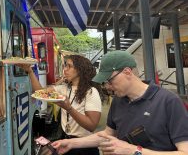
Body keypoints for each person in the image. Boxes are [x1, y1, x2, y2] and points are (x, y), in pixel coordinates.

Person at [52, 50, 188, 155]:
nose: (107, 87)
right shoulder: (118, 101)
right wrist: (70, 143)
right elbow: (107, 134)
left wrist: (133, 150)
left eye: (110, 81)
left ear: (127, 72)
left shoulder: (169, 101)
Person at [19, 55, 103, 155]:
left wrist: (69, 109)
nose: (65, 69)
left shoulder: (91, 92)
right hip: (65, 141)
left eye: (69, 66)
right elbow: (39, 92)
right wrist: (30, 71)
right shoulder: (64, 88)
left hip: (84, 146)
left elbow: (91, 125)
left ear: (80, 70)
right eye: (65, 66)